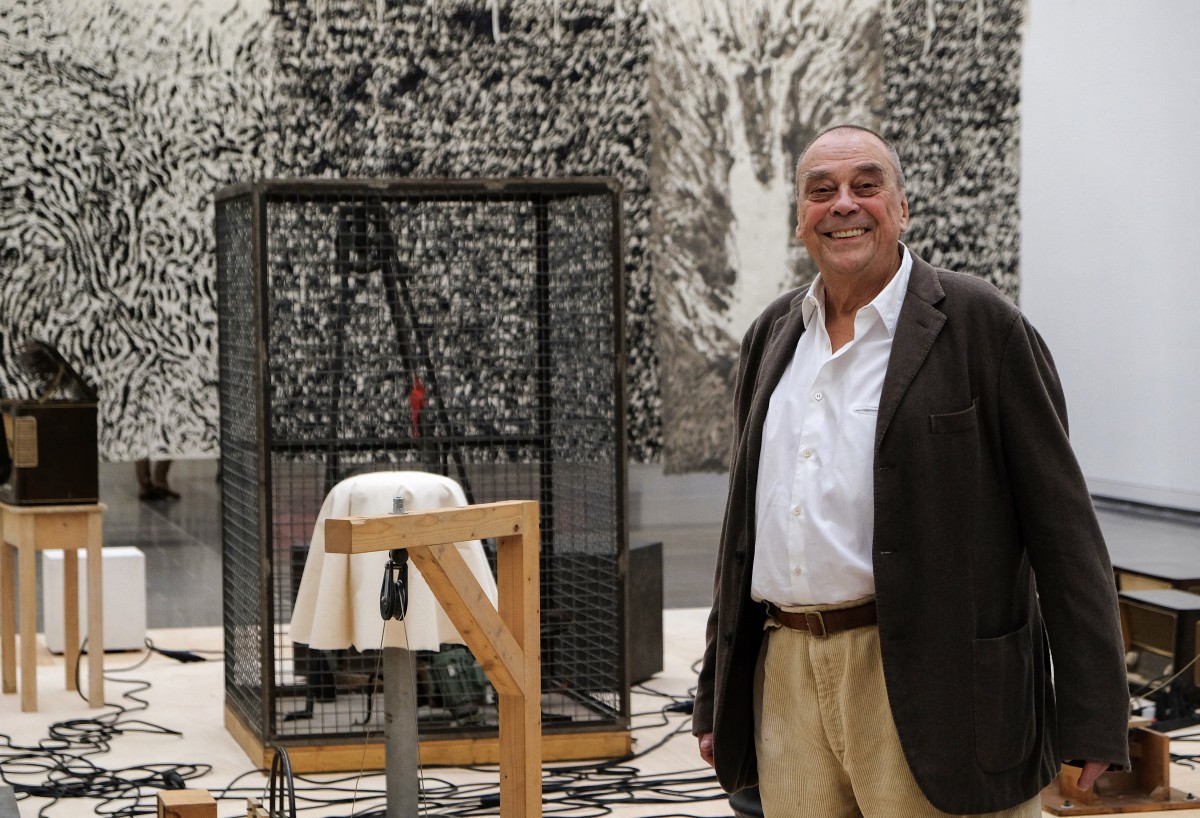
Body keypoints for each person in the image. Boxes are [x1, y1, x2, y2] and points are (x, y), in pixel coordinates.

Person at [693, 124, 1130, 817]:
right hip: (787, 678)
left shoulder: (983, 325)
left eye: (866, 186)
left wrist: (1095, 713)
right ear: (800, 218)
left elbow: (1066, 532)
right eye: (821, 191)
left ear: (901, 208)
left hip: (939, 685)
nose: (843, 204)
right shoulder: (773, 335)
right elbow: (743, 531)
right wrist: (715, 692)